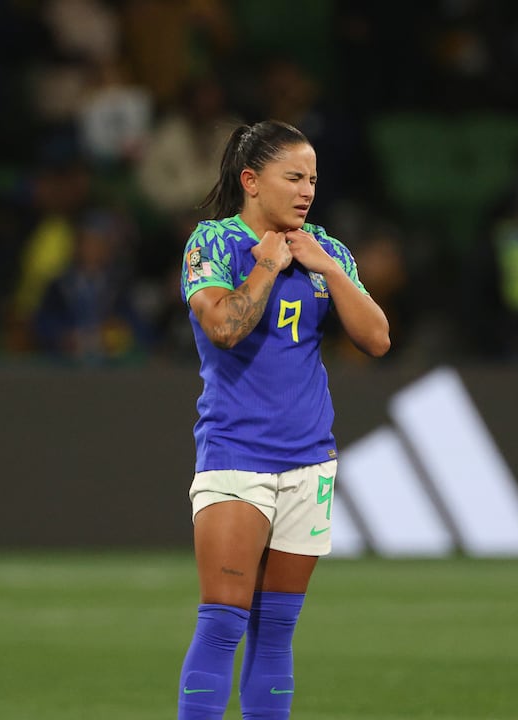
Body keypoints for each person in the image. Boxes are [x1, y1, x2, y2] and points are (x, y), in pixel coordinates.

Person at [175, 120, 390, 719]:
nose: (306, 192)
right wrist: (266, 268)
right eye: (293, 177)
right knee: (223, 624)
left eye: (313, 180)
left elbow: (377, 339)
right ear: (250, 180)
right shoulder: (212, 243)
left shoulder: (324, 247)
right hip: (236, 457)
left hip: (309, 460)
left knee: (276, 634)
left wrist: (331, 269)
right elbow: (223, 327)